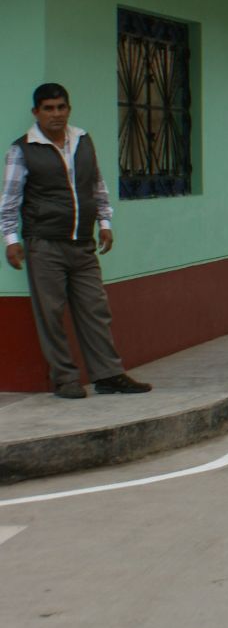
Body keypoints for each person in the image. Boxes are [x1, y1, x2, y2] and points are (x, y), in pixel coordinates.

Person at [2, 83, 151, 398]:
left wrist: (105, 222)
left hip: (83, 243)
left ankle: (108, 374)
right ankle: (65, 379)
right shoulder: (22, 149)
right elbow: (10, 199)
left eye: (61, 107)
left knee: (95, 309)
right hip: (44, 243)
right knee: (51, 314)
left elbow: (96, 184)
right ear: (36, 112)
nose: (56, 114)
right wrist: (10, 239)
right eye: (48, 109)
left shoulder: (83, 140)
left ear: (68, 109)